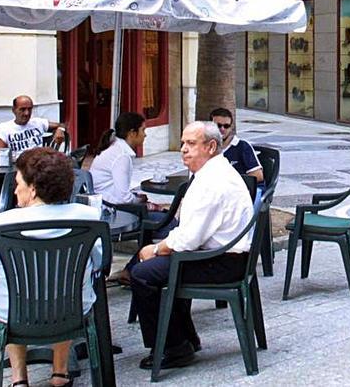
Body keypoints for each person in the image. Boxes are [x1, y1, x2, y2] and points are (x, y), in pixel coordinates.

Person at [128, 121, 254, 370]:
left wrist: (153, 250)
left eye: (191, 143)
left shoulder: (212, 181)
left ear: (211, 146)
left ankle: (173, 347)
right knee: (155, 264)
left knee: (142, 274)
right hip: (221, 255)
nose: (183, 149)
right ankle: (186, 338)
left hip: (223, 262)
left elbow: (187, 240)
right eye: (183, 143)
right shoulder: (211, 173)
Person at [0, 147, 102, 387]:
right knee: (67, 291)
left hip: (15, 316)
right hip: (73, 312)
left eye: (18, 183)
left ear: (33, 189)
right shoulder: (89, 217)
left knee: (8, 296)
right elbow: (100, 263)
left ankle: (19, 378)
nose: (15, 189)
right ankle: (60, 373)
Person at [88, 111, 148, 206]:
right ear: (132, 133)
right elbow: (124, 199)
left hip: (103, 201)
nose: (145, 135)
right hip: (107, 206)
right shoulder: (121, 156)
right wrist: (139, 200)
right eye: (143, 130)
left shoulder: (115, 147)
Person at [0, 95, 65, 155]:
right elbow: (1, 155)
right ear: (14, 110)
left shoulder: (38, 122)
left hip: (38, 164)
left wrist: (60, 129)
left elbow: (62, 125)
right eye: (22, 109)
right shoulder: (4, 128)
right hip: (17, 166)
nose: (26, 113)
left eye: (29, 109)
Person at [209, 107, 263, 184]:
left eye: (226, 126)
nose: (222, 129)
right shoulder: (206, 148)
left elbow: (258, 175)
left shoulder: (242, 146)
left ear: (231, 128)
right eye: (218, 125)